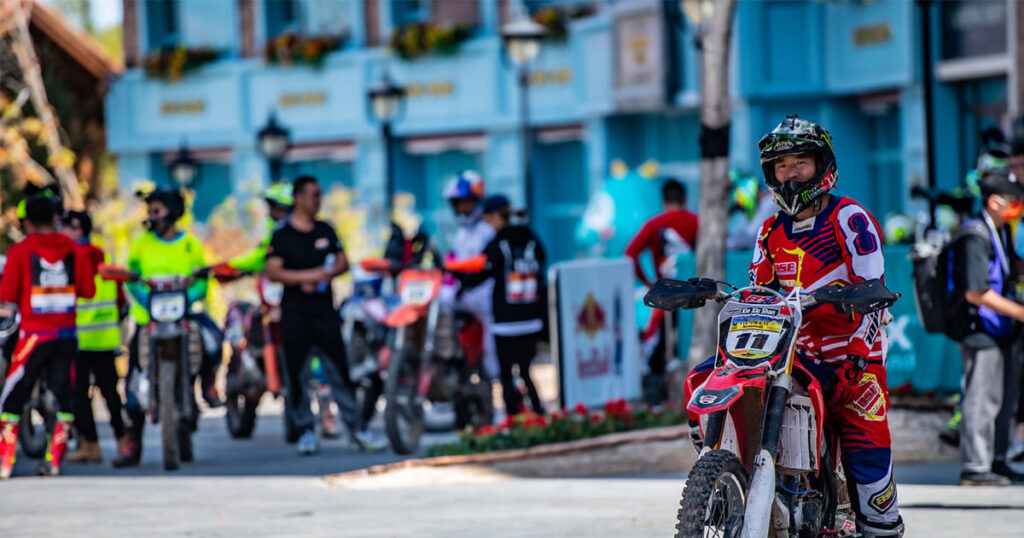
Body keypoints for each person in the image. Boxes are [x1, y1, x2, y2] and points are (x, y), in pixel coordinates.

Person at [747, 116, 904, 535]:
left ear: (823, 165)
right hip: (794, 356)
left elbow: (874, 291)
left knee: (865, 450)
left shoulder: (850, 218)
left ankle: (881, 526)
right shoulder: (769, 231)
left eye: (801, 161)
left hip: (851, 354)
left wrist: (856, 358)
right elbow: (757, 293)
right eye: (781, 165)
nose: (791, 172)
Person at [265, 175, 383, 454]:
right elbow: (273, 270)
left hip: (324, 311)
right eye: (314, 195)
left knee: (340, 371)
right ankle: (306, 429)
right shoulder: (283, 235)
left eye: (320, 194)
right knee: (297, 374)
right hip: (295, 312)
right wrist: (305, 277)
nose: (318, 200)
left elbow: (343, 261)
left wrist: (327, 273)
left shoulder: (325, 230)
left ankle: (356, 429)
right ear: (299, 198)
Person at [0, 195, 96, 479]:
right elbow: (88, 289)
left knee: (12, 398)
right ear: (56, 219)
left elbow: (7, 294)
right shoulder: (74, 250)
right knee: (63, 396)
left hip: (32, 337)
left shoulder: (21, 251)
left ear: (27, 222)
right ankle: (54, 461)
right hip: (66, 336)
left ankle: (5, 462)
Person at [113, 188, 208, 468]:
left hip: (184, 316)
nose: (152, 217)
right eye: (150, 211)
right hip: (148, 320)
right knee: (133, 383)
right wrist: (143, 298)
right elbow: (131, 276)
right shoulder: (141, 244)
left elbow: (203, 280)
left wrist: (189, 297)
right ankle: (133, 443)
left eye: (157, 211)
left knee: (212, 341)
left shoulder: (191, 245)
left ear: (173, 212)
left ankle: (209, 386)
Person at [948, 169, 1024, 486]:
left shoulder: (1000, 230)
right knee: (981, 398)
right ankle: (975, 467)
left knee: (1004, 398)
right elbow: (976, 292)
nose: (1018, 209)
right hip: (981, 328)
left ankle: (998, 459)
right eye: (1015, 202)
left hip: (1003, 328)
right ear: (994, 201)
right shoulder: (974, 235)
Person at [452, 195, 546, 415]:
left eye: (487, 219)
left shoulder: (499, 243)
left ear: (495, 216)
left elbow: (483, 273)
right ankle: (539, 415)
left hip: (506, 321)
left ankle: (513, 418)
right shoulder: (531, 238)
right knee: (525, 370)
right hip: (531, 318)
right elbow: (541, 266)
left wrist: (458, 279)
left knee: (506, 373)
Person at [61, 211, 129, 464]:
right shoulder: (105, 257)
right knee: (110, 393)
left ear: (77, 228)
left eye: (65, 228)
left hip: (79, 338)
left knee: (80, 395)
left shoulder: (73, 258)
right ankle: (122, 443)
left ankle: (91, 445)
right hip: (104, 338)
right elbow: (120, 298)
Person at [624, 178, 698, 403]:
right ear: (685, 199)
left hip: (666, 296)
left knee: (658, 347)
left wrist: (647, 282)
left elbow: (630, 254)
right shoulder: (697, 222)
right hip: (696, 296)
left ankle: (657, 399)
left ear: (664, 201)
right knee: (689, 343)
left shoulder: (653, 224)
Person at [443, 171, 499, 381]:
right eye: (457, 203)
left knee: (492, 339)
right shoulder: (460, 233)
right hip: (462, 291)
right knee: (438, 300)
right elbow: (452, 261)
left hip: (482, 292)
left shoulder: (486, 231)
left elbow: (486, 265)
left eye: (465, 202)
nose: (461, 208)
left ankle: (497, 378)